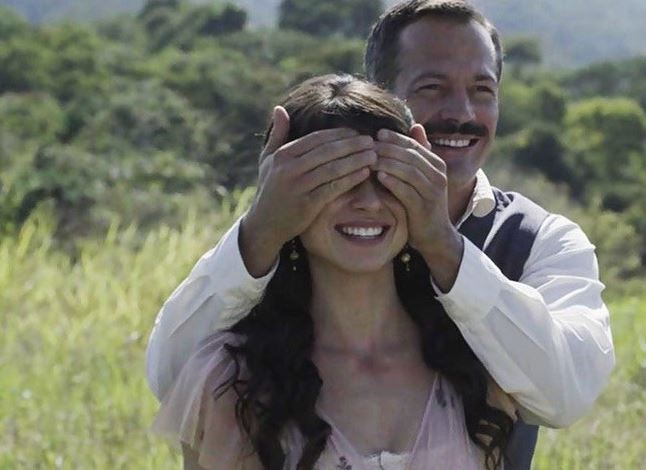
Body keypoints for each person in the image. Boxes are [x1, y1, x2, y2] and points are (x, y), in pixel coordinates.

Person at [147, 1, 615, 468]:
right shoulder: (284, 231)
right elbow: (174, 377)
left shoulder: (541, 240)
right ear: (382, 99)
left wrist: (443, 246)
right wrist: (263, 230)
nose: (461, 112)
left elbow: (564, 394)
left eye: (482, 90)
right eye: (432, 87)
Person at [153, 73, 519, 469]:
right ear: (282, 195)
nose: (367, 202)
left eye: (386, 178)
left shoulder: (473, 361)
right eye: (337, 180)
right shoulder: (235, 382)